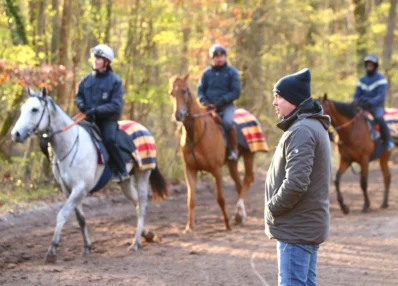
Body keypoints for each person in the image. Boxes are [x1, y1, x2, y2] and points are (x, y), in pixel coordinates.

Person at [265, 68, 331, 286]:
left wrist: (273, 207)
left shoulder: (301, 130)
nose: (274, 102)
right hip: (304, 225)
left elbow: (296, 183)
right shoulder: (310, 126)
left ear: (293, 99)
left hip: (296, 229)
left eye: (279, 96)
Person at [75, 44, 128, 182]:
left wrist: (97, 110)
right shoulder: (86, 79)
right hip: (87, 118)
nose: (95, 60)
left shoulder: (115, 81)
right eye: (94, 58)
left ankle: (121, 170)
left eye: (99, 58)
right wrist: (81, 105)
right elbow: (79, 96)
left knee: (109, 139)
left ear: (107, 62)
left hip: (106, 120)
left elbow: (116, 105)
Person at [197, 44, 241, 161]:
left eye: (221, 56)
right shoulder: (206, 74)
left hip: (226, 106)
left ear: (225, 57)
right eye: (216, 57)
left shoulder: (232, 72)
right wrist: (204, 101)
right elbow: (200, 90)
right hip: (208, 107)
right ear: (212, 58)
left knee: (227, 122)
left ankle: (233, 150)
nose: (219, 58)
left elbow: (236, 91)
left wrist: (222, 100)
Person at [353, 54, 393, 150]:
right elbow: (356, 95)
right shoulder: (362, 80)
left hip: (376, 106)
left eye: (372, 64)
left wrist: (370, 102)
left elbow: (380, 96)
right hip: (363, 106)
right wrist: (356, 102)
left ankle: (388, 141)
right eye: (368, 64)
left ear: (375, 66)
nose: (369, 66)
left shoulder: (381, 79)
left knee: (379, 118)